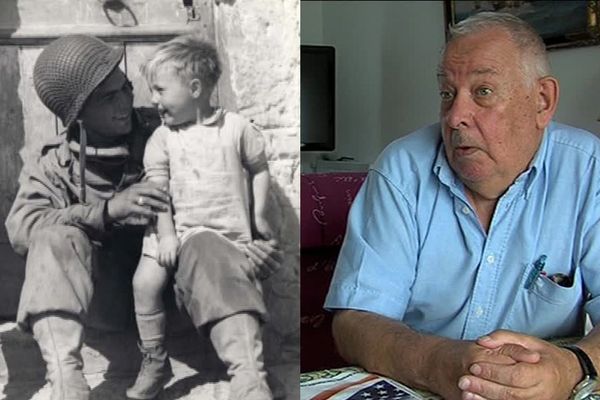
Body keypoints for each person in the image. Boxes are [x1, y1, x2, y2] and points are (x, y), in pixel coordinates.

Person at [325, 12, 600, 400]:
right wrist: (443, 365)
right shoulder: (400, 170)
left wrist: (572, 366)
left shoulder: (590, 171)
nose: (454, 117)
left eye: (483, 91)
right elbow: (355, 321)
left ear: (542, 101)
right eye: (446, 93)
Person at [4, 34, 281, 400]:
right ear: (77, 113)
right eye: (107, 98)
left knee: (204, 242)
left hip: (183, 295)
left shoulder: (170, 128)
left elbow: (234, 188)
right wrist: (105, 212)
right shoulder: (56, 165)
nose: (126, 102)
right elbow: (22, 227)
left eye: (126, 87)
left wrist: (258, 246)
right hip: (104, 301)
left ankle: (248, 380)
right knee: (53, 236)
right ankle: (65, 379)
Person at [125, 34, 275, 400]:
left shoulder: (235, 129)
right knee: (144, 284)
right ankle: (155, 360)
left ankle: (255, 367)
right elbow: (158, 193)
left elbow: (259, 168)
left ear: (194, 88)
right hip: (173, 228)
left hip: (228, 232)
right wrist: (165, 235)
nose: (153, 100)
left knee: (245, 280)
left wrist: (260, 216)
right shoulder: (162, 138)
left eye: (160, 90)